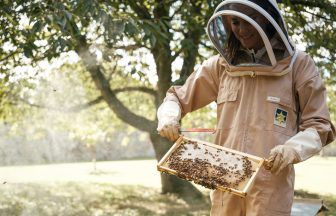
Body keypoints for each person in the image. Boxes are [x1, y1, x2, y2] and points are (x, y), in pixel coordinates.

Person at [157, 0, 336, 215]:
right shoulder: (220, 65)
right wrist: (169, 116)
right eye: (235, 22)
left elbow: (320, 125)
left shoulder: (298, 65)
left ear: (269, 21)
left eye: (251, 21)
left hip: (270, 187)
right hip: (225, 182)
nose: (242, 30)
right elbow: (176, 97)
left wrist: (292, 149)